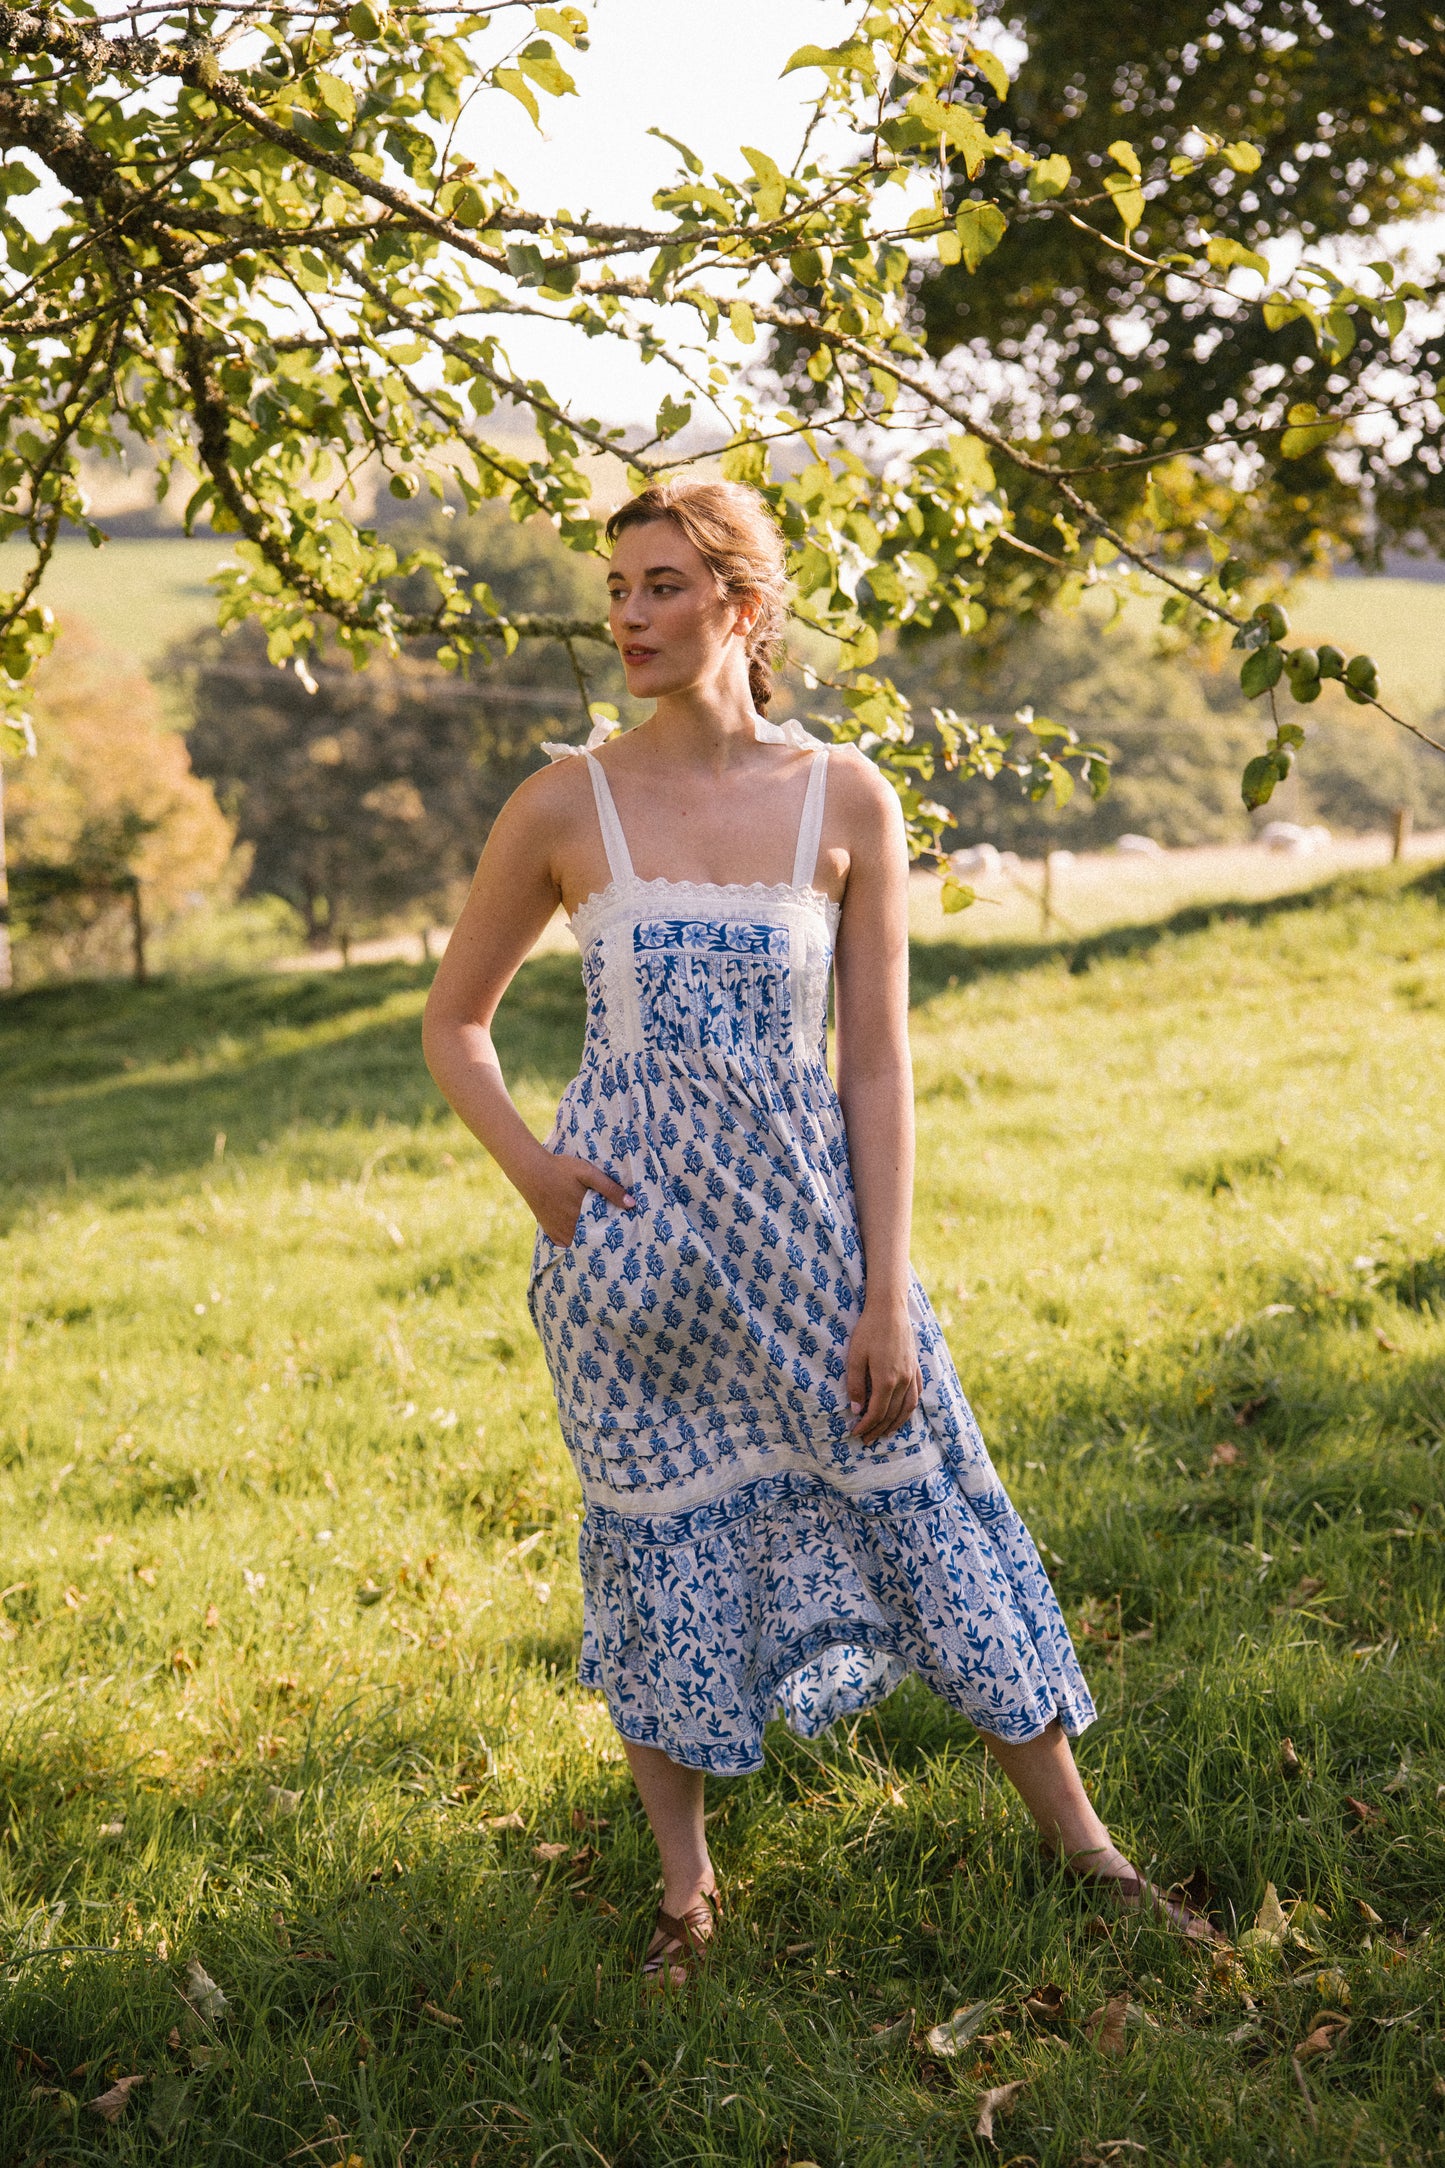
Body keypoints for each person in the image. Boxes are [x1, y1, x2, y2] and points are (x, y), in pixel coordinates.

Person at [423, 479, 1219, 1982]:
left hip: (813, 1246)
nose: (627, 617)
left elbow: (874, 1063)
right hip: (637, 1262)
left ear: (742, 605)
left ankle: (1089, 1851)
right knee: (658, 1554)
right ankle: (684, 1894)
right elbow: (451, 1023)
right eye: (616, 589)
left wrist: (884, 1289)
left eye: (661, 587)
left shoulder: (844, 795)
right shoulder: (560, 801)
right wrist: (537, 1174)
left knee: (930, 1511)